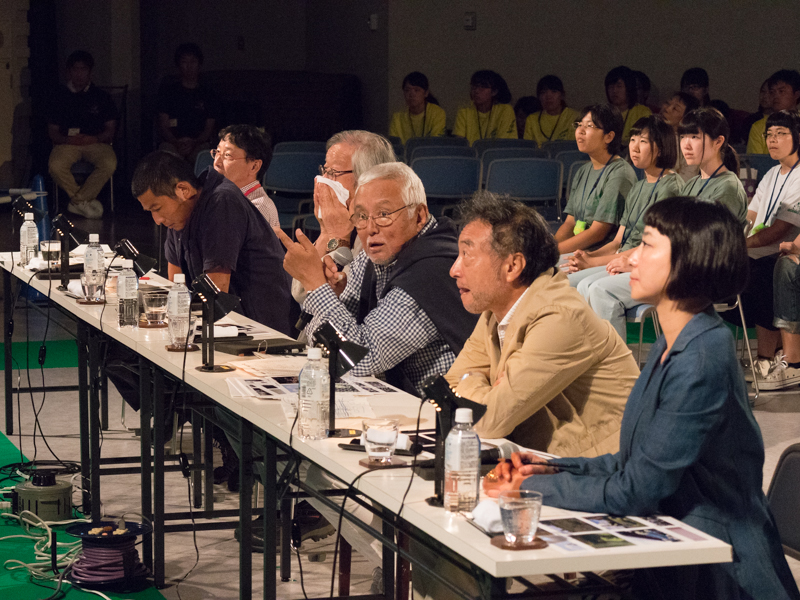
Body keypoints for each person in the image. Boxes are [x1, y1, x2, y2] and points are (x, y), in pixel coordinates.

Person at [485, 196, 800, 600]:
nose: (632, 260)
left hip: (717, 567)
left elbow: (636, 488)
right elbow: (630, 462)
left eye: (647, 246)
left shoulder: (702, 356)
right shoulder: (675, 341)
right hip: (673, 547)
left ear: (690, 261)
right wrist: (548, 469)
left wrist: (526, 492)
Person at [445, 192, 638, 455]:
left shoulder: (560, 318)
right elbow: (449, 387)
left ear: (512, 266)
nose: (454, 269)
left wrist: (471, 380)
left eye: (467, 255)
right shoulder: (495, 310)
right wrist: (480, 383)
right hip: (551, 466)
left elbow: (486, 421)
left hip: (603, 473)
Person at [279, 161, 478, 393]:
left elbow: (358, 360)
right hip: (394, 402)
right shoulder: (375, 256)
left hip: (442, 418)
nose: (371, 228)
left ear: (419, 216)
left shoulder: (433, 268)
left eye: (384, 214)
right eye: (361, 216)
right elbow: (324, 349)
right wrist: (328, 297)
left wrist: (316, 286)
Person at [132, 150, 292, 334]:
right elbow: (176, 285)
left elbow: (216, 293)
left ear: (183, 190)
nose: (157, 220)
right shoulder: (179, 216)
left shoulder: (222, 202)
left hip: (261, 329)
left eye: (157, 208)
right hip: (224, 325)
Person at [567, 116, 682, 338]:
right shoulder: (638, 187)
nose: (635, 147)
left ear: (661, 147)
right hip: (623, 259)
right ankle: (591, 356)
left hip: (651, 264)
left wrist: (593, 262)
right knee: (574, 284)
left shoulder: (671, 187)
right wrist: (587, 256)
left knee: (598, 289)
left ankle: (616, 365)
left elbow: (653, 246)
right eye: (632, 139)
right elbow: (618, 241)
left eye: (643, 141)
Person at [728, 110, 800, 387]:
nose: (772, 140)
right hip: (761, 248)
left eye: (781, 134)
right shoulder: (771, 173)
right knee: (733, 266)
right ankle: (768, 356)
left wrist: (740, 244)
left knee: (757, 269)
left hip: (781, 251)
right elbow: (751, 217)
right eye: (769, 134)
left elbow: (779, 230)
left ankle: (768, 356)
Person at [291, 130, 397, 307]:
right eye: (324, 170)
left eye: (333, 172)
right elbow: (300, 293)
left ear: (367, 178)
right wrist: (326, 233)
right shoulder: (344, 218)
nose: (323, 180)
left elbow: (347, 302)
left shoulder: (380, 228)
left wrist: (338, 237)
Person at [555, 104, 637, 254]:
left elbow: (598, 232)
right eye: (579, 125)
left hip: (602, 253)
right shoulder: (583, 170)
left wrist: (552, 252)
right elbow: (569, 223)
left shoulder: (619, 173)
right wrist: (550, 248)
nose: (580, 131)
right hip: (579, 249)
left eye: (589, 126)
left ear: (609, 136)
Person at [47, 50, 118, 220]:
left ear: (90, 72)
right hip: (67, 143)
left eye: (83, 69)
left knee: (109, 162)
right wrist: (67, 140)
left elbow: (110, 129)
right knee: (55, 165)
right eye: (75, 69)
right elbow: (52, 131)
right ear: (69, 71)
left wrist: (95, 138)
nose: (79, 73)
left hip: (95, 142)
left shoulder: (102, 97)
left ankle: (78, 201)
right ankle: (83, 202)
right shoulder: (58, 97)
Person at [679, 107, 747, 224]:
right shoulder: (692, 183)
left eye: (694, 137)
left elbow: (711, 237)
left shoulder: (728, 188)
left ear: (718, 142)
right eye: (682, 137)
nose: (686, 145)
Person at [156, 43, 221, 163]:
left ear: (199, 64)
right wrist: (176, 142)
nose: (189, 67)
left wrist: (194, 143)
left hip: (199, 143)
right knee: (166, 156)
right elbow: (163, 125)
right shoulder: (168, 92)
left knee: (204, 157)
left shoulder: (208, 93)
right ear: (178, 65)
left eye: (193, 62)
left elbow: (208, 129)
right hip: (172, 142)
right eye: (185, 62)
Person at [212, 124, 279, 228]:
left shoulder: (258, 208)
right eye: (217, 152)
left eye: (227, 155)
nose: (216, 162)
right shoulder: (222, 197)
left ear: (254, 166)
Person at [453, 70, 516, 145]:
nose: (476, 91)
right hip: (471, 155)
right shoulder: (464, 110)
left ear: (494, 91)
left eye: (482, 87)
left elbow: (504, 144)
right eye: (474, 86)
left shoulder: (505, 110)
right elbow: (460, 142)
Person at [747, 70, 800, 155]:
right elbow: (755, 163)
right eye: (772, 92)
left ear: (796, 95)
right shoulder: (758, 127)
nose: (775, 96)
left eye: (781, 91)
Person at [388, 72, 446, 144]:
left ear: (426, 93)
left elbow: (436, 143)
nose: (411, 94)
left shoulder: (437, 113)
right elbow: (394, 145)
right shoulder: (397, 117)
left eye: (416, 90)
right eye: (407, 90)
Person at [522, 75, 579, 148]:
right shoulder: (532, 119)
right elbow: (528, 149)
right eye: (543, 92)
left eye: (554, 91)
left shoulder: (575, 117)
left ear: (562, 95)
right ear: (539, 97)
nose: (548, 96)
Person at [604, 66, 652, 145]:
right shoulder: (602, 113)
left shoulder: (642, 112)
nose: (614, 91)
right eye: (611, 87)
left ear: (629, 88)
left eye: (619, 86)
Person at [660, 92, 701, 182]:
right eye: (667, 103)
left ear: (685, 118)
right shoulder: (648, 132)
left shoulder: (689, 145)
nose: (667, 109)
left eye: (675, 109)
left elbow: (686, 180)